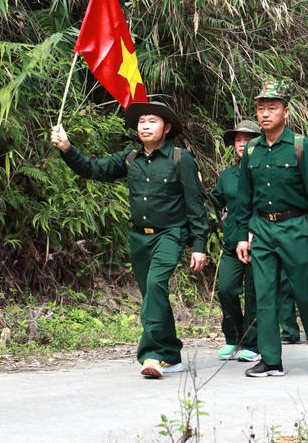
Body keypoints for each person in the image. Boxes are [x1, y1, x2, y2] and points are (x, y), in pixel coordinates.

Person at [50, 101, 208, 379]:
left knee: (156, 285)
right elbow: (94, 169)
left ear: (166, 128)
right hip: (139, 238)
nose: (145, 126)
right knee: (152, 294)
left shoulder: (180, 158)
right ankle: (171, 354)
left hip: (170, 234)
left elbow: (195, 205)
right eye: (141, 122)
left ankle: (152, 355)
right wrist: (67, 148)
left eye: (152, 121)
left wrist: (199, 246)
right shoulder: (130, 157)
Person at [233, 79, 308, 378]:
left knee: (305, 293)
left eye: (272, 108)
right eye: (261, 109)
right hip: (262, 230)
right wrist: (242, 236)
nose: (265, 114)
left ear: (286, 112)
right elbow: (243, 198)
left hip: (295, 228)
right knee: (264, 295)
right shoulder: (252, 150)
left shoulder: (301, 146)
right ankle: (271, 359)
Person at [212, 119, 261, 361]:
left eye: (248, 140)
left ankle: (252, 343)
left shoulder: (264, 172)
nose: (242, 144)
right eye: (238, 140)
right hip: (232, 242)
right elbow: (216, 203)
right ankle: (234, 337)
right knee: (226, 289)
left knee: (254, 294)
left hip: (259, 242)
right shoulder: (227, 176)